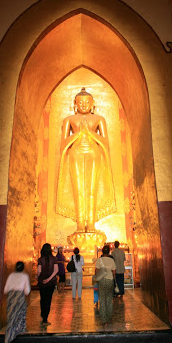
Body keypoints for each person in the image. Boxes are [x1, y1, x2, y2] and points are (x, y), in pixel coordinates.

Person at [56, 88, 116, 234]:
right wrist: (78, 134)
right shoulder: (69, 120)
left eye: (87, 102)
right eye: (80, 102)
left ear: (92, 104)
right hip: (75, 154)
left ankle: (91, 224)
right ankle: (80, 224)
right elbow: (63, 144)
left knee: (92, 190)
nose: (83, 105)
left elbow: (106, 142)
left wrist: (90, 133)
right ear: (75, 104)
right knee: (78, 190)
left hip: (93, 154)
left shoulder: (99, 119)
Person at [2, 261, 31, 343]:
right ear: (23, 268)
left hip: (11, 298)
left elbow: (5, 289)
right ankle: (21, 328)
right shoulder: (24, 276)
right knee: (21, 312)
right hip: (19, 298)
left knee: (11, 319)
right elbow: (27, 291)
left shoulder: (10, 276)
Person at [37, 243, 59, 327]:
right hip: (51, 283)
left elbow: (39, 271)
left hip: (42, 282)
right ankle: (45, 319)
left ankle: (43, 314)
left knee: (42, 298)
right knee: (48, 299)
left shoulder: (40, 259)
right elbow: (56, 270)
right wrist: (49, 279)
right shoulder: (54, 259)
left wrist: (37, 276)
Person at [95, 244, 116, 326]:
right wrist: (113, 279)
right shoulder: (111, 260)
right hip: (110, 280)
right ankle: (109, 317)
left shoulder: (99, 260)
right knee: (109, 299)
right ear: (109, 252)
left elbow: (96, 271)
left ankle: (104, 320)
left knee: (102, 300)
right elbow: (114, 272)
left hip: (102, 280)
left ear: (102, 251)